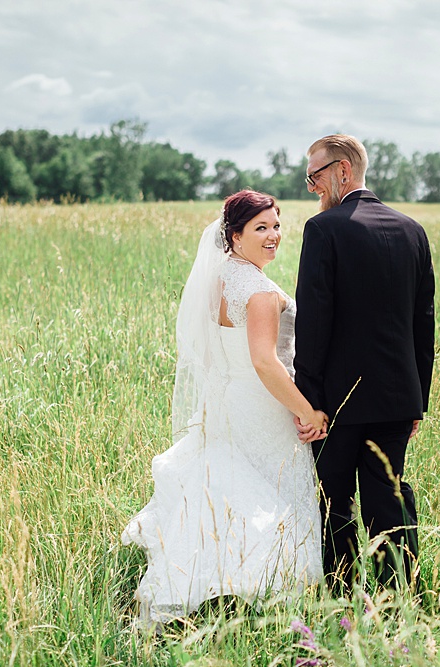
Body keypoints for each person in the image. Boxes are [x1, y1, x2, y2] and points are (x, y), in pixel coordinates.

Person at [122, 190, 325, 627]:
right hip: (263, 406)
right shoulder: (259, 292)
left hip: (227, 402)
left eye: (276, 225)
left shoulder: (221, 279)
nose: (274, 236)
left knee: (226, 486)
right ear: (233, 236)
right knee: (273, 490)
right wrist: (308, 412)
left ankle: (202, 573)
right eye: (261, 228)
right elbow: (265, 362)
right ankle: (266, 585)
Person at [294, 134, 436, 593]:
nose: (312, 186)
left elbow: (314, 324)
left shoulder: (323, 230)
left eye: (315, 175)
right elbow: (423, 325)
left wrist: (308, 401)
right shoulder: (412, 230)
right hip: (397, 398)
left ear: (343, 171)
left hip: (336, 401)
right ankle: (399, 598)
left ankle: (342, 596)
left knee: (333, 501)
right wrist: (419, 402)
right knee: (388, 500)